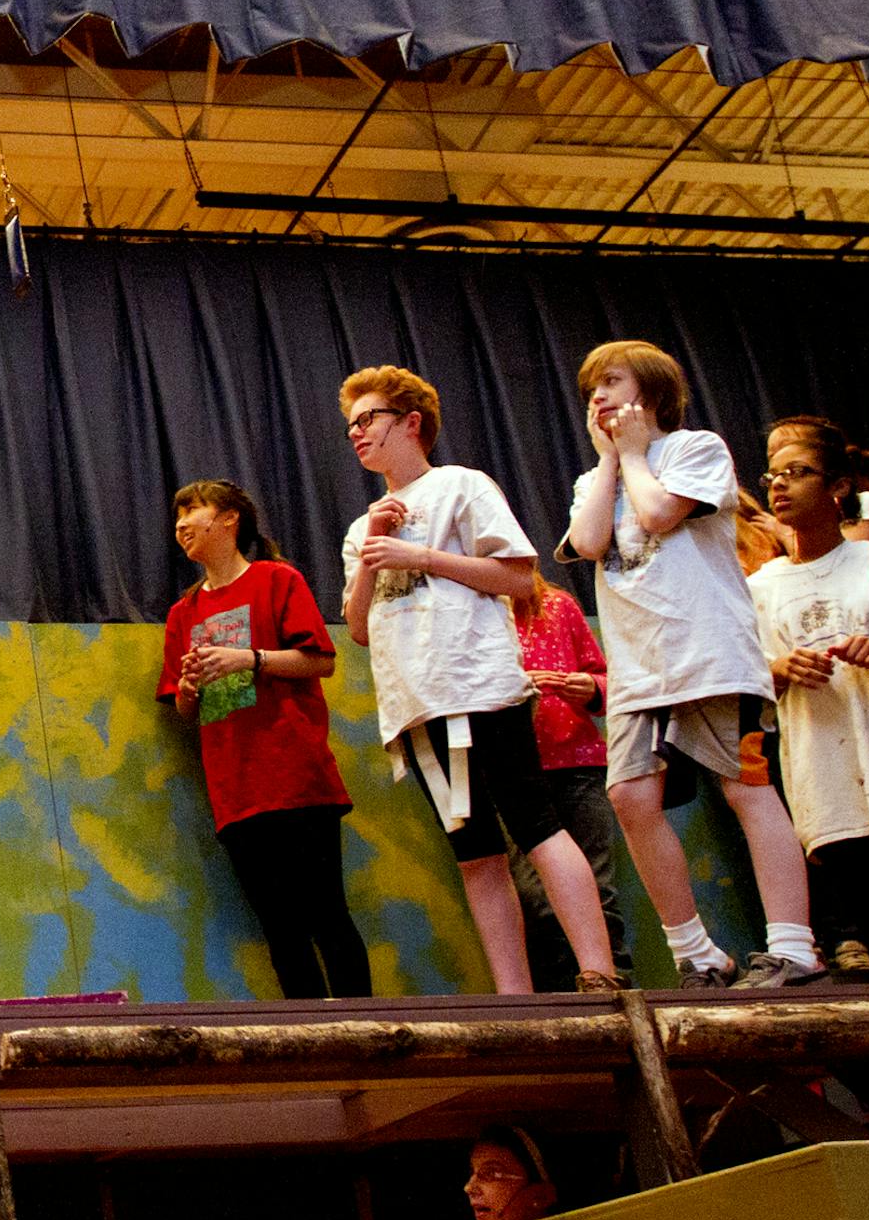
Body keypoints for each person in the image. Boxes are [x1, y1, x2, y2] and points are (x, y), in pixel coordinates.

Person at [338, 366, 621, 996]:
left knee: (537, 826)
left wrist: (420, 555)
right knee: (475, 856)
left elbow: (518, 577)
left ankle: (600, 972)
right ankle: (514, 997)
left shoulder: (461, 485)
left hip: (479, 688)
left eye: (368, 418)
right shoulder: (363, 527)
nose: (356, 433)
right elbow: (358, 627)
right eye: (350, 424)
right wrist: (377, 545)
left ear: (411, 422)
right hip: (417, 707)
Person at [562, 340, 818, 988]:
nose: (597, 397)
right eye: (591, 389)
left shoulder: (696, 449)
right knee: (629, 796)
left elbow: (657, 514)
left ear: (650, 392)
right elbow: (588, 542)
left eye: (611, 382)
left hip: (711, 656)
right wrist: (610, 461)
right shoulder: (595, 481)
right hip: (639, 671)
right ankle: (696, 953)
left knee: (745, 787)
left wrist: (633, 455)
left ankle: (794, 947)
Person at [158, 479, 371, 999]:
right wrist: (189, 689)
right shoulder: (183, 614)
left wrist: (248, 658)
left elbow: (320, 661)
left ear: (229, 519)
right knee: (280, 928)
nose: (181, 525)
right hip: (235, 793)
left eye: (193, 511)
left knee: (327, 912)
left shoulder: (277, 580)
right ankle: (308, 1034)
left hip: (298, 780)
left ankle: (364, 1026)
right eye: (177, 516)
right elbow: (184, 709)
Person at [750, 418, 869, 979]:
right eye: (772, 476)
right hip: (828, 772)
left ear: (838, 486)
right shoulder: (760, 586)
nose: (780, 485)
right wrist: (777, 670)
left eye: (797, 472)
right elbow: (745, 687)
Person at [507, 572, 631, 989]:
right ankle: (560, 996)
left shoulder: (558, 607)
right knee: (534, 898)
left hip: (579, 764)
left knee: (598, 887)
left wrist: (590, 687)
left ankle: (613, 985)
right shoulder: (474, 613)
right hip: (513, 772)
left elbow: (606, 681)